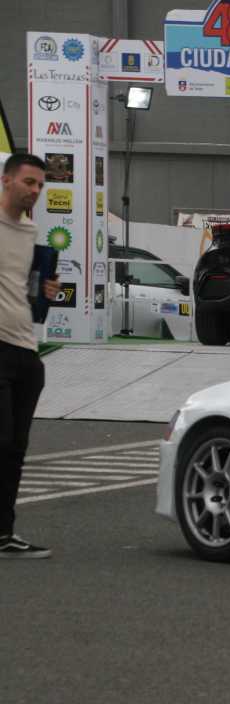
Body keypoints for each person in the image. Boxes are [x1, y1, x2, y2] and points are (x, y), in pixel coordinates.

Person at [1, 154, 60, 559]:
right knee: (1, 441)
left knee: (14, 451)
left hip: (26, 350)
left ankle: (4, 535)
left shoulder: (30, 232)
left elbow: (24, 289)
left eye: (40, 184)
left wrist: (44, 295)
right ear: (6, 181)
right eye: (28, 182)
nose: (35, 190)